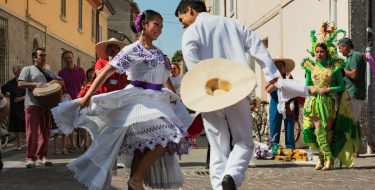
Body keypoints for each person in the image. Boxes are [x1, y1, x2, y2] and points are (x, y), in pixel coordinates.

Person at [51, 10, 192, 190]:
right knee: (167, 136)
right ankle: (136, 181)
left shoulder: (159, 53)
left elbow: (165, 80)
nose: (160, 29)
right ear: (143, 25)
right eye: (156, 24)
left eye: (162, 26)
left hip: (159, 102)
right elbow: (105, 72)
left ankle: (134, 183)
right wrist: (87, 96)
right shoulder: (132, 49)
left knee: (145, 148)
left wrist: (176, 101)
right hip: (140, 102)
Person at [175, 1, 281, 189]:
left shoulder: (191, 32)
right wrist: (271, 74)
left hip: (209, 94)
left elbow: (192, 63)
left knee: (217, 146)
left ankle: (219, 186)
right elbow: (256, 44)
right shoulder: (232, 23)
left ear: (189, 9)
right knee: (243, 141)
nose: (182, 23)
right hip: (236, 89)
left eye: (181, 18)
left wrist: (202, 87)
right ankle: (232, 175)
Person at [18, 47, 64, 168]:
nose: (44, 58)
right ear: (34, 57)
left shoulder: (48, 71)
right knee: (31, 132)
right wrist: (35, 84)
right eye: (41, 55)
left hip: (47, 105)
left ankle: (42, 156)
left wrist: (54, 82)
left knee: (45, 132)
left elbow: (62, 82)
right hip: (32, 104)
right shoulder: (27, 69)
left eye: (45, 55)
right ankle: (30, 158)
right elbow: (20, 83)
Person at [338, 38, 369, 155]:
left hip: (354, 94)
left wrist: (342, 70)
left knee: (353, 121)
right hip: (350, 93)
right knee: (352, 121)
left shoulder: (355, 56)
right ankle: (353, 149)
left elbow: (354, 74)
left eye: (340, 48)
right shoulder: (352, 57)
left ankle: (355, 150)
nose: (340, 51)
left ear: (345, 46)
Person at [58, 50, 86, 153]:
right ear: (64, 59)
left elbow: (84, 84)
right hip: (68, 101)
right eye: (66, 58)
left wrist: (84, 96)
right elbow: (60, 88)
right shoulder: (61, 73)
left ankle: (86, 145)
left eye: (70, 57)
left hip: (80, 100)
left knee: (83, 123)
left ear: (73, 58)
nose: (68, 59)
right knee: (69, 124)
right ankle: (73, 146)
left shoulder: (81, 70)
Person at [265, 59, 296, 149]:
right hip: (275, 103)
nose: (279, 68)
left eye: (281, 66)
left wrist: (286, 80)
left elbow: (293, 90)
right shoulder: (271, 77)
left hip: (288, 103)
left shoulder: (289, 77)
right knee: (274, 125)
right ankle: (273, 148)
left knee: (289, 126)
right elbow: (268, 90)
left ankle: (290, 148)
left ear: (284, 68)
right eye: (277, 66)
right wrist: (276, 81)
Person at [1, 64, 26, 151]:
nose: (20, 72)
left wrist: (22, 98)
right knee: (17, 126)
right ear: (15, 73)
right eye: (18, 71)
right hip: (15, 108)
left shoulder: (27, 82)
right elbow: (2, 90)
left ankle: (31, 143)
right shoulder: (11, 83)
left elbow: (33, 93)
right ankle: (19, 145)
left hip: (26, 106)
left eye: (21, 71)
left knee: (28, 125)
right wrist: (6, 99)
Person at [51, 89, 71, 155]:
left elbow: (70, 104)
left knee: (64, 133)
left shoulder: (67, 96)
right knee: (56, 133)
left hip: (65, 116)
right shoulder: (54, 96)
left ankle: (63, 149)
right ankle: (56, 149)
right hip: (57, 116)